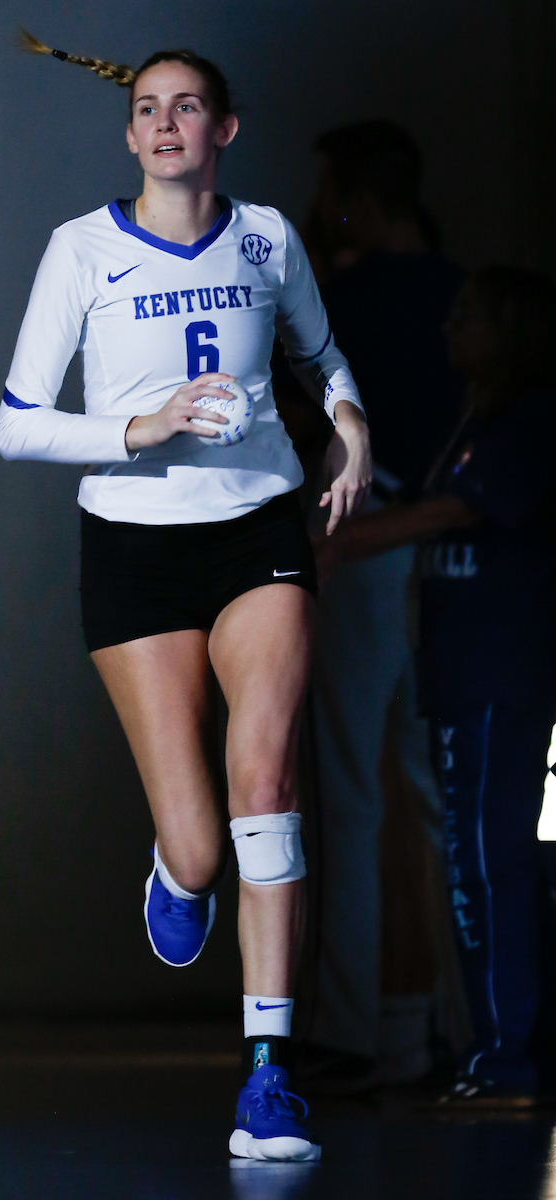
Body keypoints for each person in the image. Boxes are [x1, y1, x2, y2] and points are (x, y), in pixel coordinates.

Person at [0, 35, 371, 1159]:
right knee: (204, 850)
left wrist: (349, 425)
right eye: (148, 108)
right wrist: (138, 427)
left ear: (223, 128)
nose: (165, 124)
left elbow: (323, 357)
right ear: (128, 134)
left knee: (268, 781)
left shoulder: (265, 237)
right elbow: (17, 423)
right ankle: (176, 863)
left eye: (187, 106)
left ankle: (267, 1078)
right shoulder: (79, 252)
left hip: (258, 530)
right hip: (135, 551)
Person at [314, 265, 556, 1099]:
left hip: (500, 681)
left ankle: (505, 1058)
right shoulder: (472, 424)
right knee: (471, 865)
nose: (449, 331)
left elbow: (455, 511)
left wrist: (344, 541)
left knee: (491, 867)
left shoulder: (529, 424)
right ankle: (493, 1051)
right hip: (458, 678)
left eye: (468, 317)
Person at [297, 122, 466, 1088]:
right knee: (442, 795)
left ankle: (355, 1032)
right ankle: (464, 1025)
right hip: (447, 551)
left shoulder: (338, 301)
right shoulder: (462, 295)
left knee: (348, 792)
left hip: (362, 549)